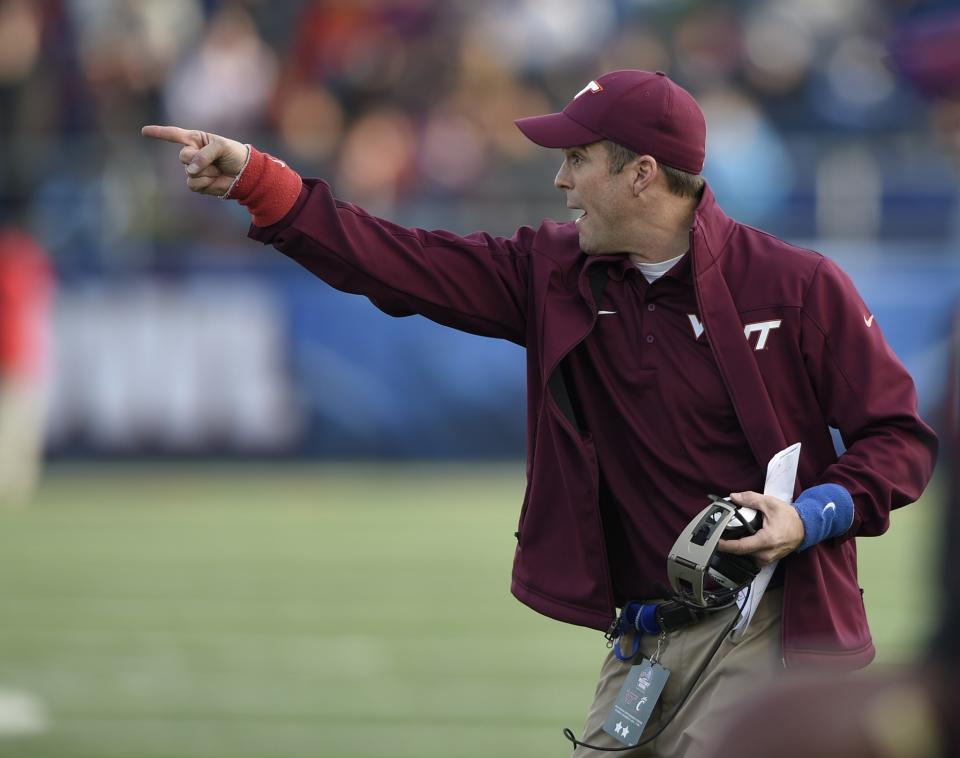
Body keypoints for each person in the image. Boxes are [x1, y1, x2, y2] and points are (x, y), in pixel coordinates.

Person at [142, 69, 938, 756]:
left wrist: (808, 516)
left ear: (642, 174)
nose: (559, 181)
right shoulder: (550, 271)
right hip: (641, 642)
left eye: (576, 158)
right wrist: (257, 178)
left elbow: (899, 439)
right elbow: (398, 262)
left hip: (764, 624)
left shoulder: (797, 284)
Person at [0, 203, 54, 507]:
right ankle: (10, 483)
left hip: (27, 350)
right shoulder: (15, 258)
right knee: (12, 421)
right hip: (13, 351)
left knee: (23, 421)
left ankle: (18, 485)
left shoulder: (28, 257)